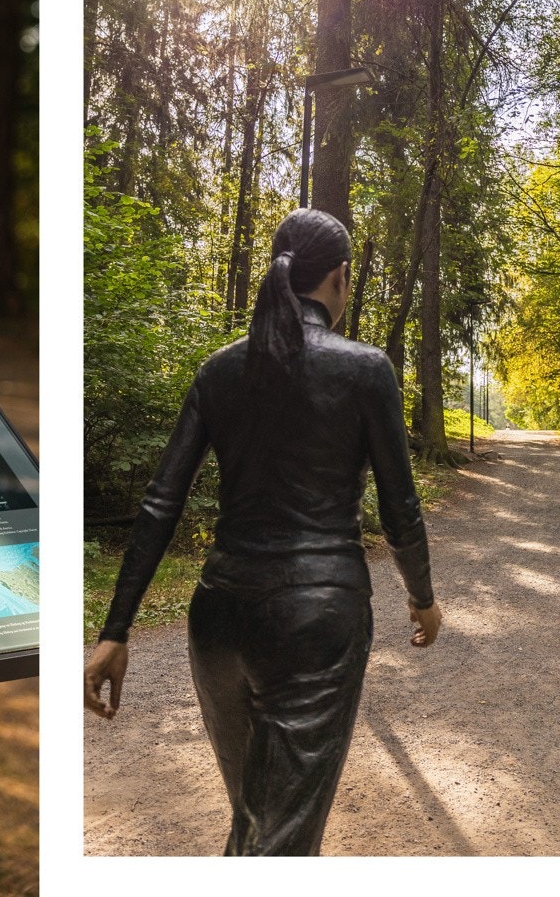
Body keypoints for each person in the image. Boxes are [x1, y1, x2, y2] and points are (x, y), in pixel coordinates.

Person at [84, 207, 442, 856]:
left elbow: (161, 501)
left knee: (257, 821)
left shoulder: (221, 369)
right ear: (338, 276)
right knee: (276, 844)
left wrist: (116, 629)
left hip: (217, 619)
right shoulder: (366, 370)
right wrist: (421, 596)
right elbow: (400, 507)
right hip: (316, 626)